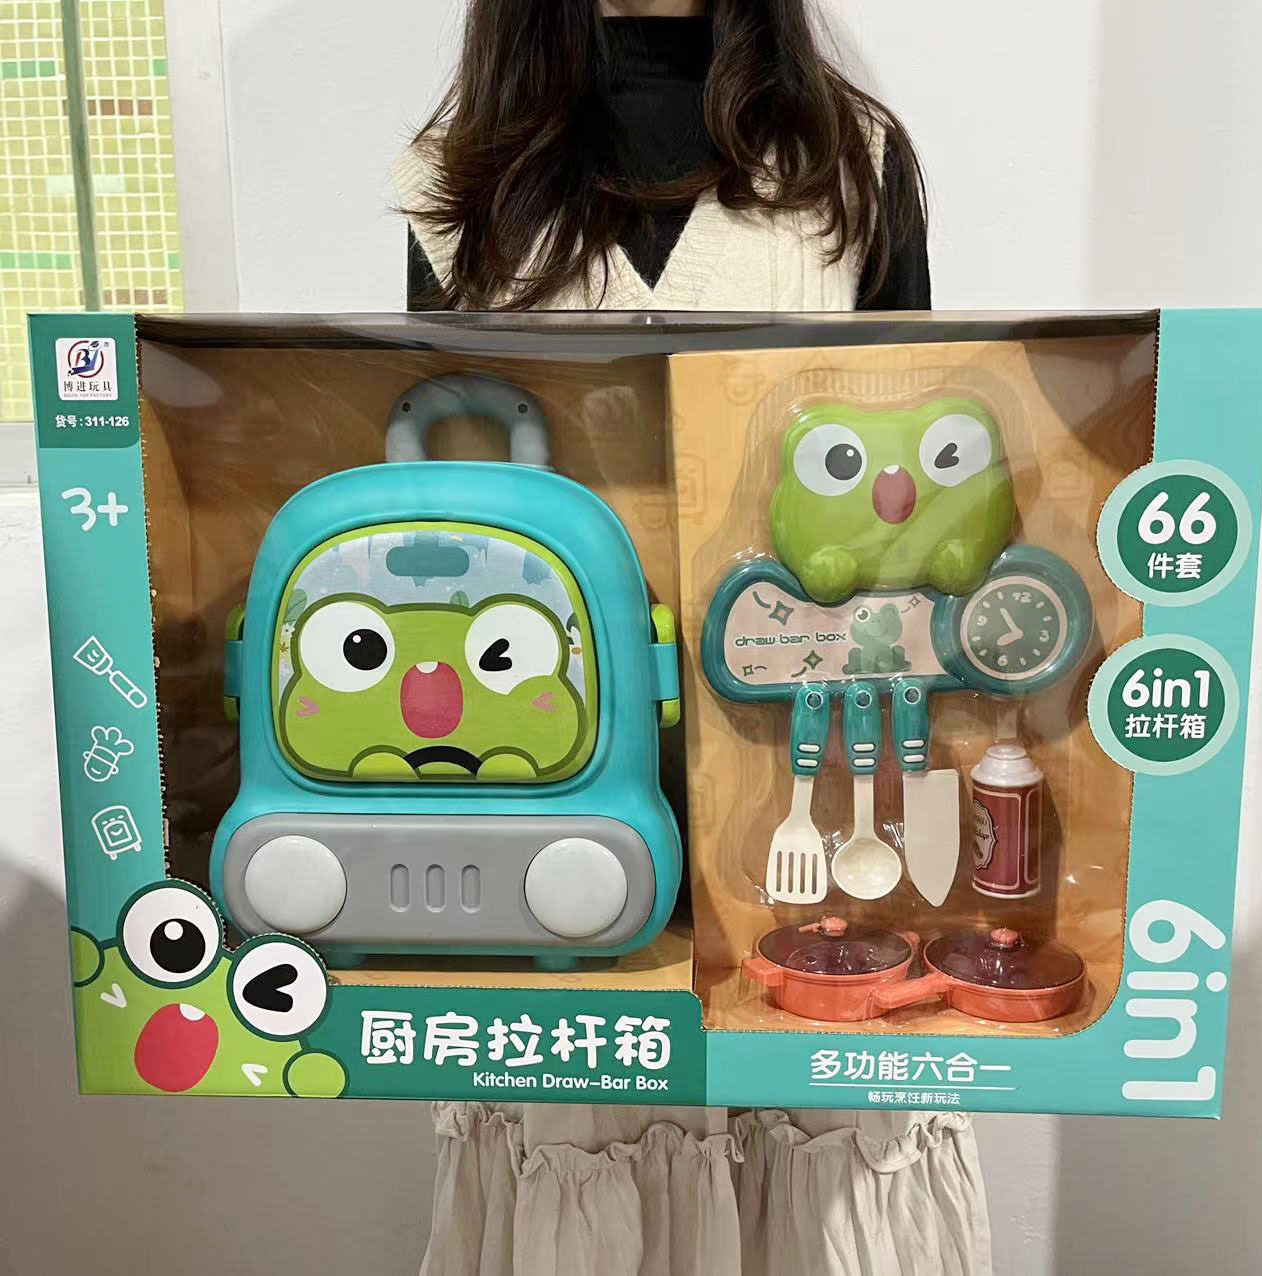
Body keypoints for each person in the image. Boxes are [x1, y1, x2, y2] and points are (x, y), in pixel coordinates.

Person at [393, 4, 991, 1273]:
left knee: (820, 1162)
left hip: (810, 773)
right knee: (582, 1153)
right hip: (545, 784)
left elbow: (924, 486)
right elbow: (437, 514)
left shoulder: (848, 164)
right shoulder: (464, 181)